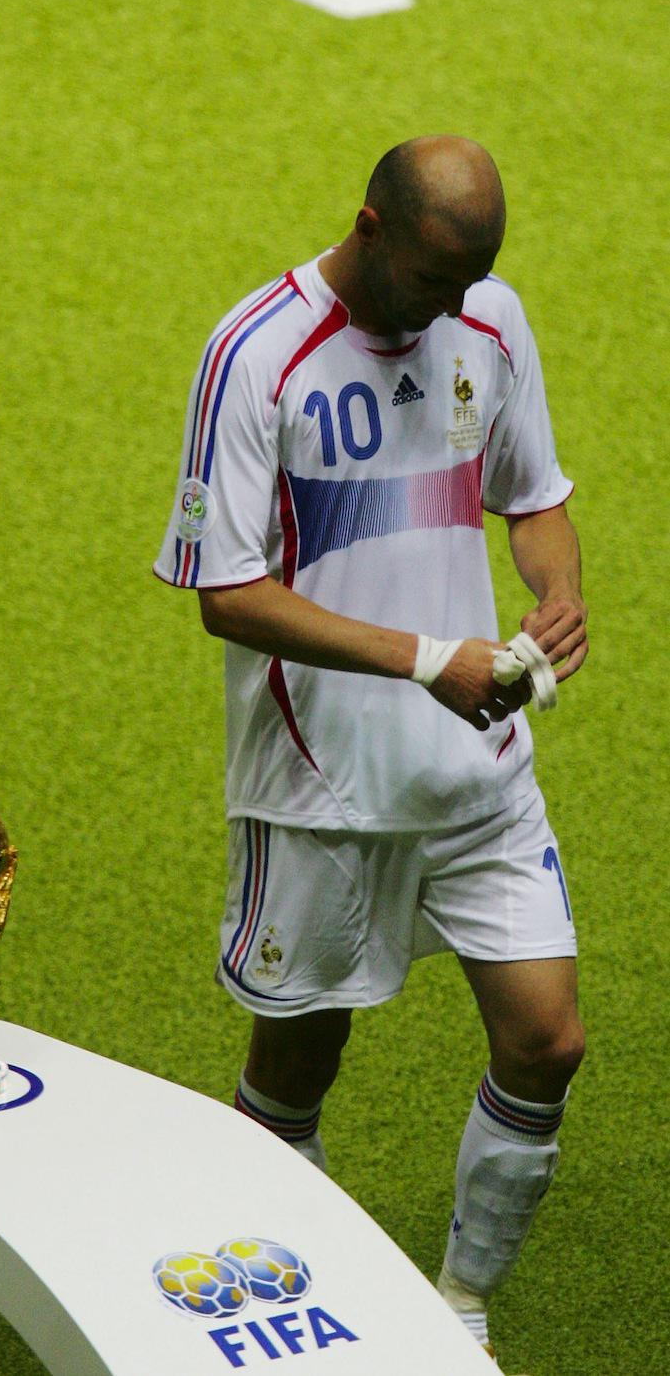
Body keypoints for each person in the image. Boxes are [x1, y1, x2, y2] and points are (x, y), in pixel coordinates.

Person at [154, 137, 588, 1371]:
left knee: (546, 1037)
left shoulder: (486, 319)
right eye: (433, 278)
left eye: (472, 281)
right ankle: (293, 1315)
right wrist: (423, 659)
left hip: (477, 771)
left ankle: (457, 1301)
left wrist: (554, 592)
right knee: (295, 1073)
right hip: (321, 783)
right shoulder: (256, 355)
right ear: (371, 226)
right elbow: (226, 592)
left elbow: (535, 491)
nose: (451, 308)